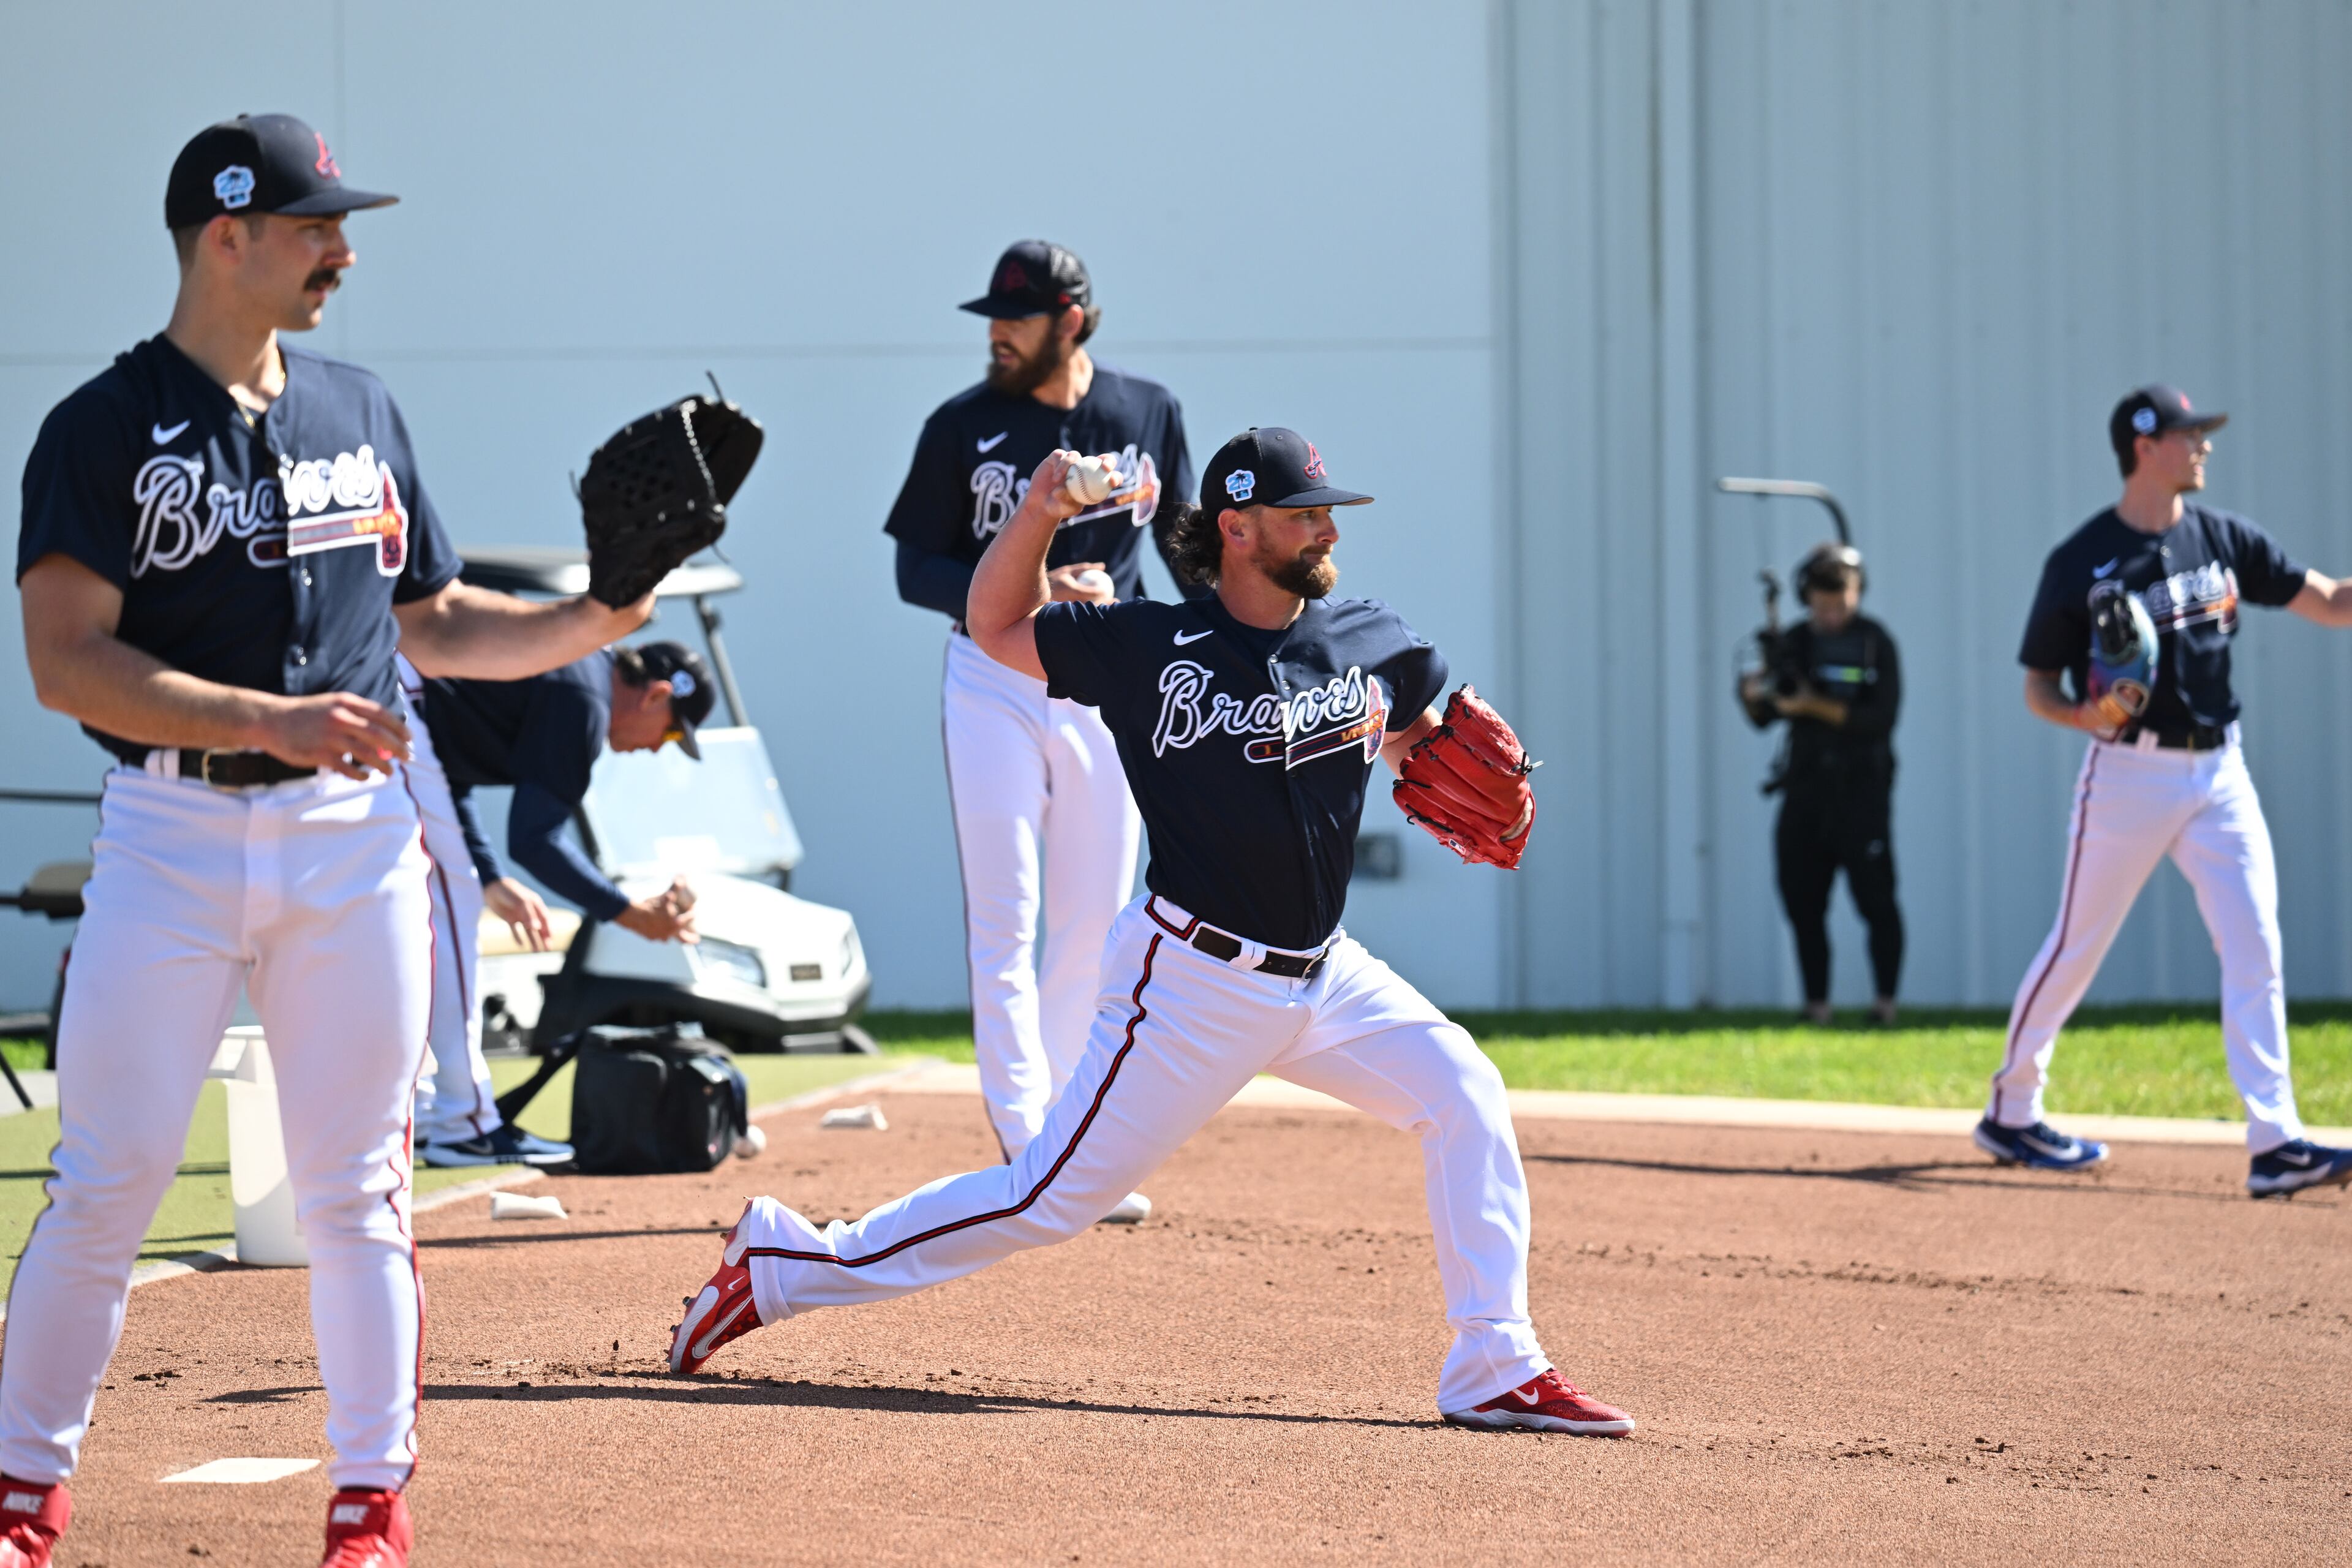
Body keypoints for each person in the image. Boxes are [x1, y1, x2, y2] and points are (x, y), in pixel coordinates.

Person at [671, 429, 1635, 1438]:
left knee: (1463, 1089)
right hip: (1190, 984)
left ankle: (1495, 1362)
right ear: (1238, 527)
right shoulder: (1142, 646)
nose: (1324, 526)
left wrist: (1443, 761)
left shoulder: (1368, 638)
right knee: (1045, 1199)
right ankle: (788, 1264)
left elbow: (1414, 730)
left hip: (1326, 976)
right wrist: (1040, 512)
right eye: (1304, 511)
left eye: (1328, 511)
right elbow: (995, 624)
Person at [1, 114, 653, 1567]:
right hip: (171, 830)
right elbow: (64, 657)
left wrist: (596, 618)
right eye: (314, 228)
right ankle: (22, 1498)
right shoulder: (104, 429)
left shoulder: (357, 408)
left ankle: (370, 1503)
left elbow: (433, 620)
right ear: (223, 234)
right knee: (104, 1177)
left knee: (358, 1182)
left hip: (346, 843)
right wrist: (269, 714)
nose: (342, 253)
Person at [884, 241, 1194, 1223]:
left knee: (1097, 921)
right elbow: (915, 570)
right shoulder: (963, 425)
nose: (996, 332)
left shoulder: (1147, 411)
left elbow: (1187, 547)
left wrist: (1232, 650)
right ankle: (1028, 1137)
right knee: (1005, 915)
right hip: (993, 678)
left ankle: (1072, 1134)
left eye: (1015, 316)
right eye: (992, 316)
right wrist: (1031, 584)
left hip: (1110, 679)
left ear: (1073, 319)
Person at [1981, 384, 2352, 1197]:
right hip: (2129, 772)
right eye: (2191, 435)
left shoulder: (2223, 539)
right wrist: (2084, 715)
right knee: (2077, 945)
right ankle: (2011, 1110)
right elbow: (2038, 685)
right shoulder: (2082, 561)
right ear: (2145, 445)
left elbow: (2328, 600)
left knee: (2255, 945)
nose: (2205, 446)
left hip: (2222, 770)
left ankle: (2276, 1141)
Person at [400, 639, 713, 1168]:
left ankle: (433, 1116)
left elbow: (452, 763)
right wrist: (628, 913)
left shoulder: (579, 673)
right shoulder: (585, 699)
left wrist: (491, 875)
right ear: (657, 695)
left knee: (415, 918)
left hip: (388, 700)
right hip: (392, 703)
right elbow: (537, 838)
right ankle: (462, 1124)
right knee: (448, 909)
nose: (662, 745)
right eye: (674, 729)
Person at [1740, 543, 1904, 1024]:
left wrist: (1814, 706)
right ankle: (1817, 1007)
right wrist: (1753, 695)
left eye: (1842, 604)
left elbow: (1881, 718)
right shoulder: (1793, 642)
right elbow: (1765, 715)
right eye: (1822, 604)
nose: (1832, 615)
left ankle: (1885, 1006)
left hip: (1863, 792)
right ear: (1806, 597)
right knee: (1802, 898)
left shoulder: (1876, 643)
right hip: (1806, 789)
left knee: (1876, 898)